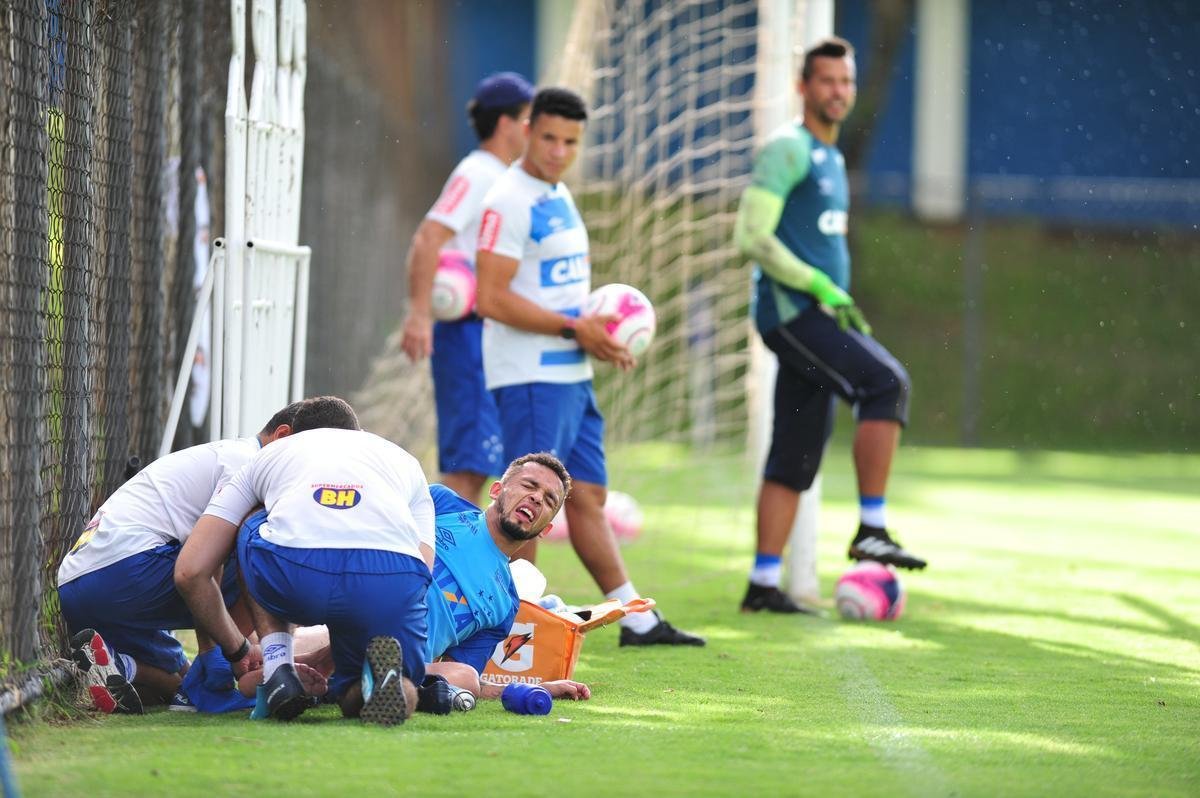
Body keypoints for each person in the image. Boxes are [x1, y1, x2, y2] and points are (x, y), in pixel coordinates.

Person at [474, 86, 704, 647]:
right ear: (527, 131)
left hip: (571, 374)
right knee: (526, 504)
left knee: (588, 497)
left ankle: (637, 619)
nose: (558, 151)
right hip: (530, 376)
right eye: (548, 137)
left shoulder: (559, 193)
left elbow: (563, 297)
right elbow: (490, 297)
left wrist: (600, 335)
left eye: (570, 142)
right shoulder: (508, 199)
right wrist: (577, 328)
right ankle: (511, 630)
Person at [733, 37, 927, 615]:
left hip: (815, 315)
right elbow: (751, 237)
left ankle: (763, 584)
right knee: (884, 383)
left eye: (846, 81)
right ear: (803, 86)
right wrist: (818, 285)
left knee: (794, 454)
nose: (838, 91)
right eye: (827, 81)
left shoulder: (834, 157)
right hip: (792, 314)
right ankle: (872, 527)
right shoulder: (788, 150)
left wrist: (835, 294)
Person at [238, 453, 593, 708]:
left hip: (406, 659)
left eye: (549, 500)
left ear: (545, 529)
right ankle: (334, 678)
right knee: (255, 652)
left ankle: (337, 682)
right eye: (529, 485)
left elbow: (467, 681)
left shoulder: (505, 604)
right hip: (350, 615)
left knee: (465, 676)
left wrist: (539, 688)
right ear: (497, 490)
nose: (536, 498)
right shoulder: (440, 503)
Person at [175, 397, 435, 726]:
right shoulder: (403, 460)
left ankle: (278, 666)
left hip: (296, 570)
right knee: (371, 687)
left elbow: (190, 570)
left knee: (254, 518)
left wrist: (237, 651)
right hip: (391, 578)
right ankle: (383, 684)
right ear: (359, 434)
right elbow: (424, 567)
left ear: (290, 433)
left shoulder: (270, 454)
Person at [55, 399, 312, 713]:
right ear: (282, 437)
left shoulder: (224, 454)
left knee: (178, 676)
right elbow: (205, 563)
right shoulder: (246, 465)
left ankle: (121, 666)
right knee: (267, 556)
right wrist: (232, 652)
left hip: (78, 586)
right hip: (128, 571)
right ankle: (211, 675)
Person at [399, 72, 535, 505]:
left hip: (490, 337)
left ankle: (464, 567)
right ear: (506, 124)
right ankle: (436, 568)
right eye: (528, 119)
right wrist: (419, 314)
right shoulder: (478, 173)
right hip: (465, 334)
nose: (532, 131)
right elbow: (428, 237)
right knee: (467, 467)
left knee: (480, 463)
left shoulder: (503, 176)